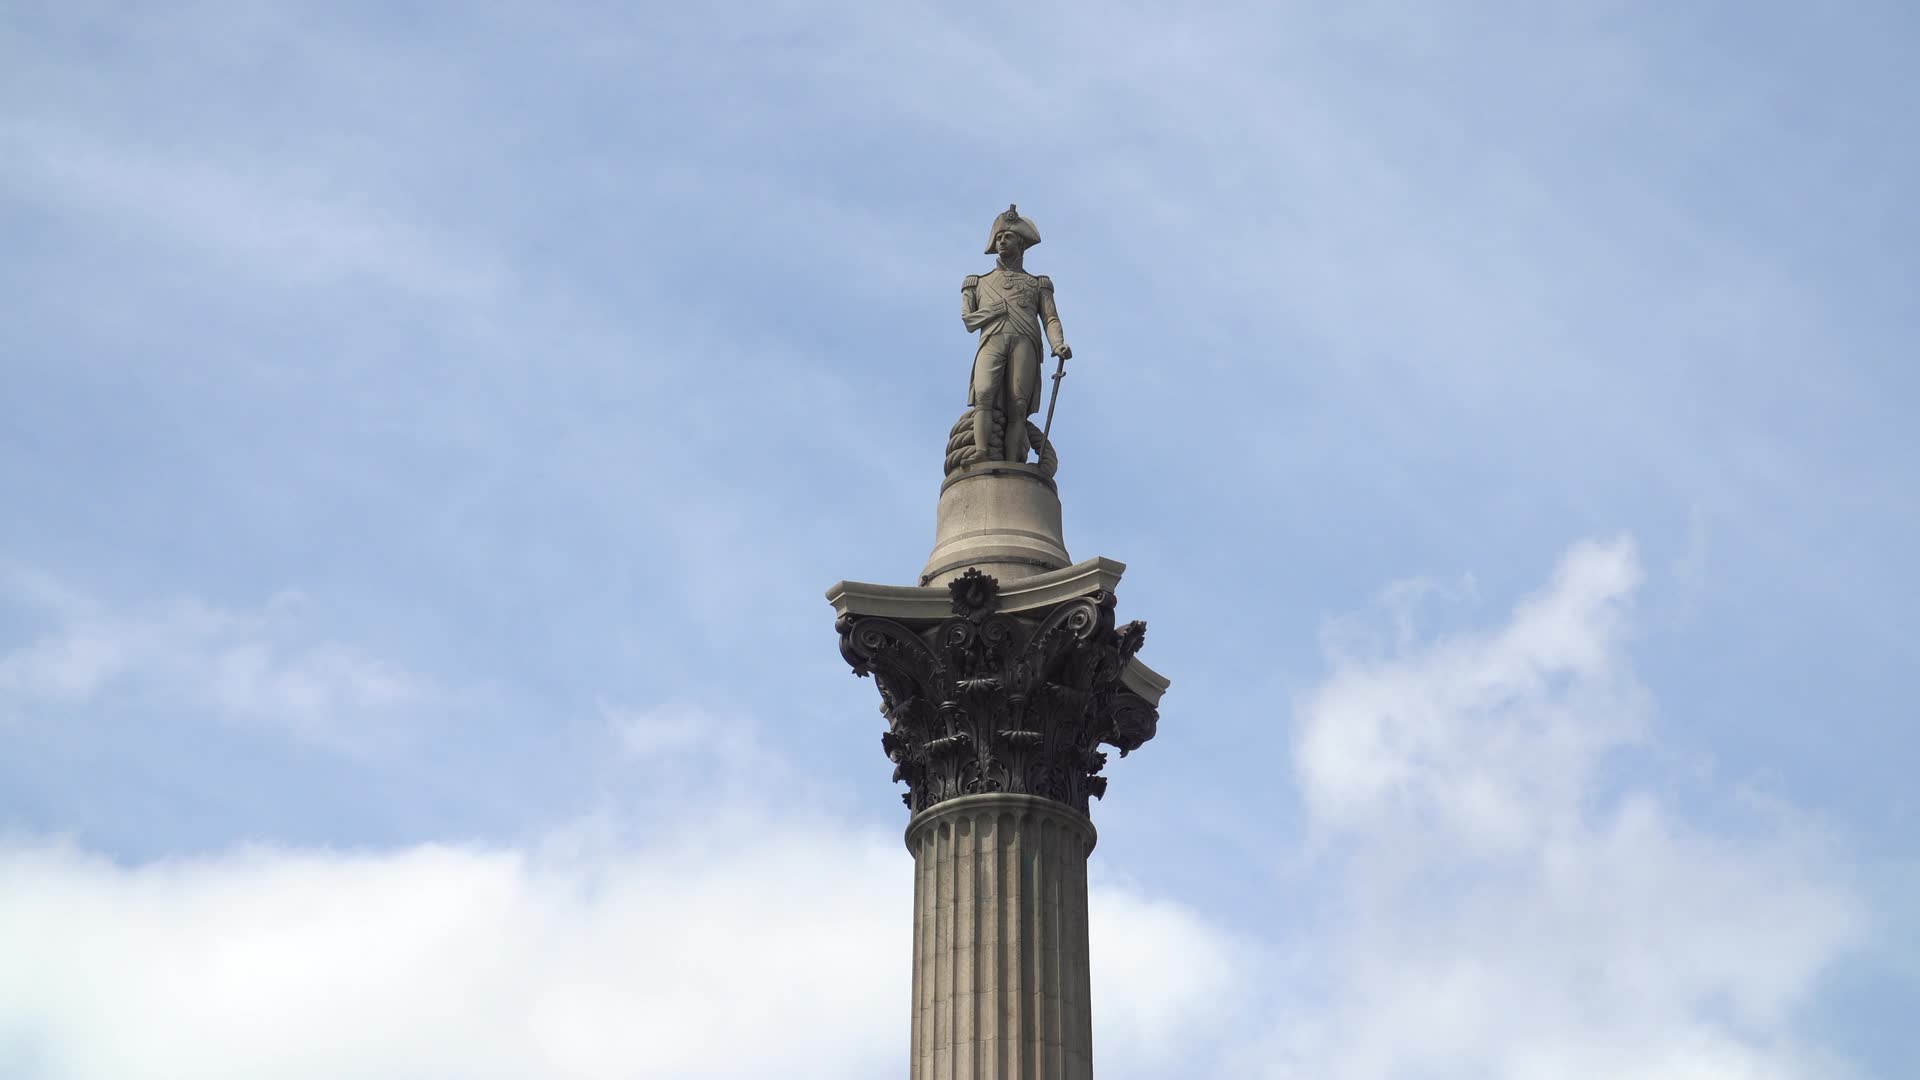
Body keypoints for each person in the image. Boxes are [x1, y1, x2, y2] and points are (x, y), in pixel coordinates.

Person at [961, 205, 1071, 465]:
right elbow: (968, 320)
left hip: (1025, 341)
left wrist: (1058, 344)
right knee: (984, 393)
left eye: (1007, 237)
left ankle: (1013, 462)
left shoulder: (1037, 284)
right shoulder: (977, 282)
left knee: (1018, 405)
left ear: (1021, 243)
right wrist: (995, 311)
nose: (1001, 241)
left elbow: (1050, 318)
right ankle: (981, 450)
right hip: (992, 339)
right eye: (998, 237)